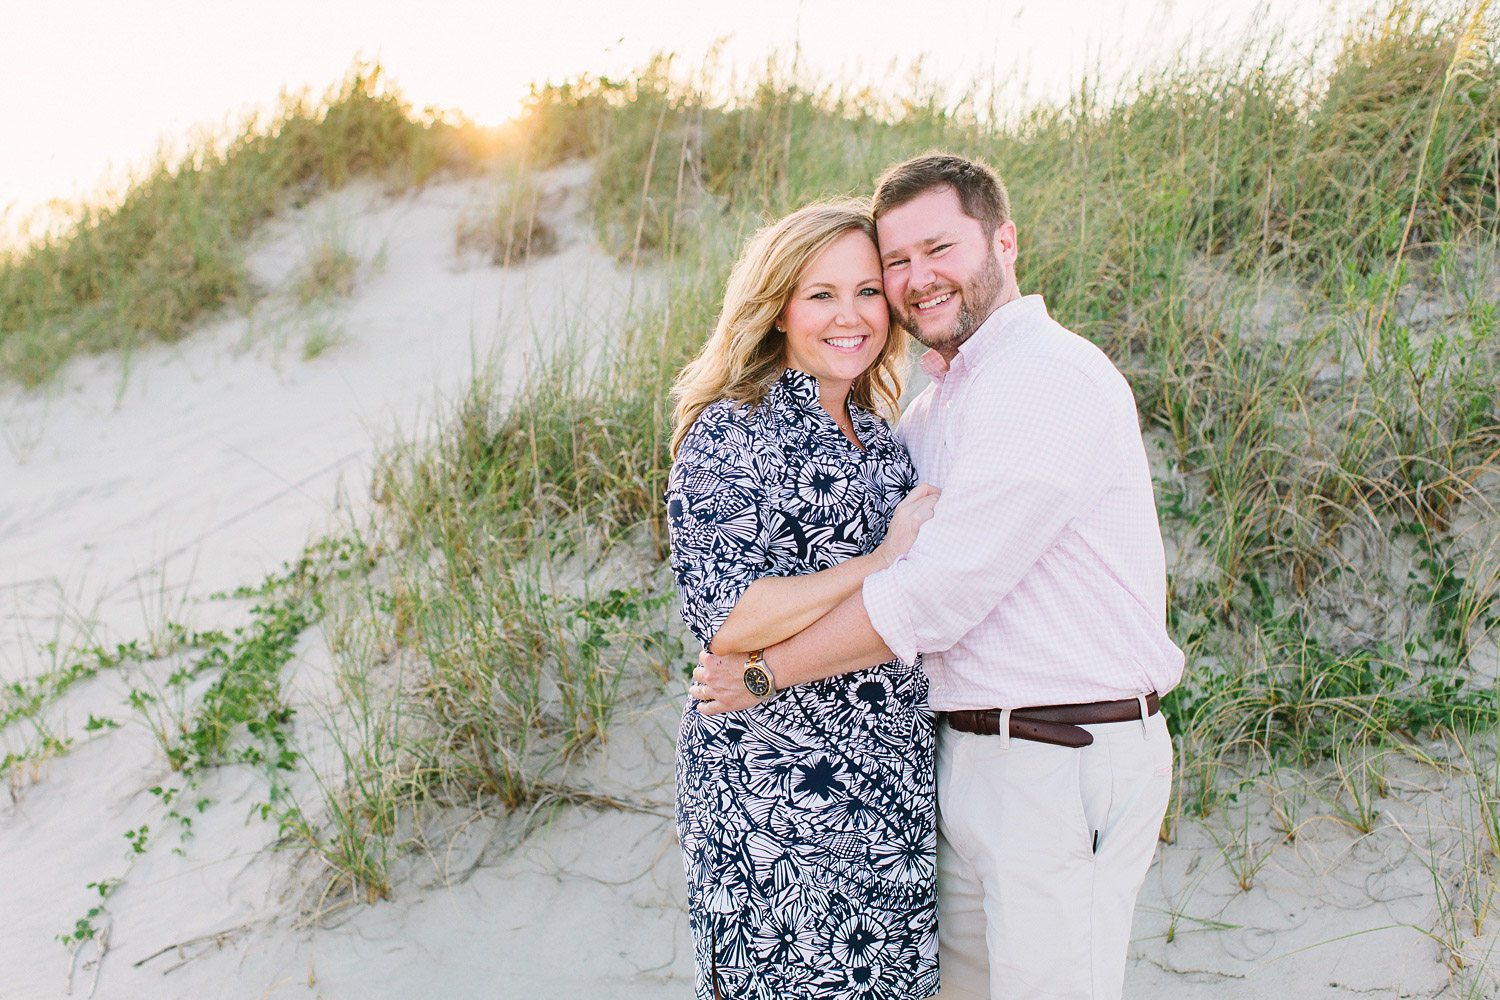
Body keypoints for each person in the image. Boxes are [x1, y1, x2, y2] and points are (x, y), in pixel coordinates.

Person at [691, 154, 1186, 1000]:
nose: (917, 280)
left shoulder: (1043, 380)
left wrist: (768, 672)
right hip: (947, 764)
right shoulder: (927, 411)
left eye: (939, 248)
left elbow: (937, 592)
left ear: (1003, 239)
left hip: (1060, 757)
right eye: (898, 261)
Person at [667, 201, 942, 1000]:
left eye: (867, 291)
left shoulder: (879, 431)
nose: (850, 316)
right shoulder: (733, 431)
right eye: (821, 295)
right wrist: (879, 560)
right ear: (777, 308)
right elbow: (728, 618)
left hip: (889, 775)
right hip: (777, 780)